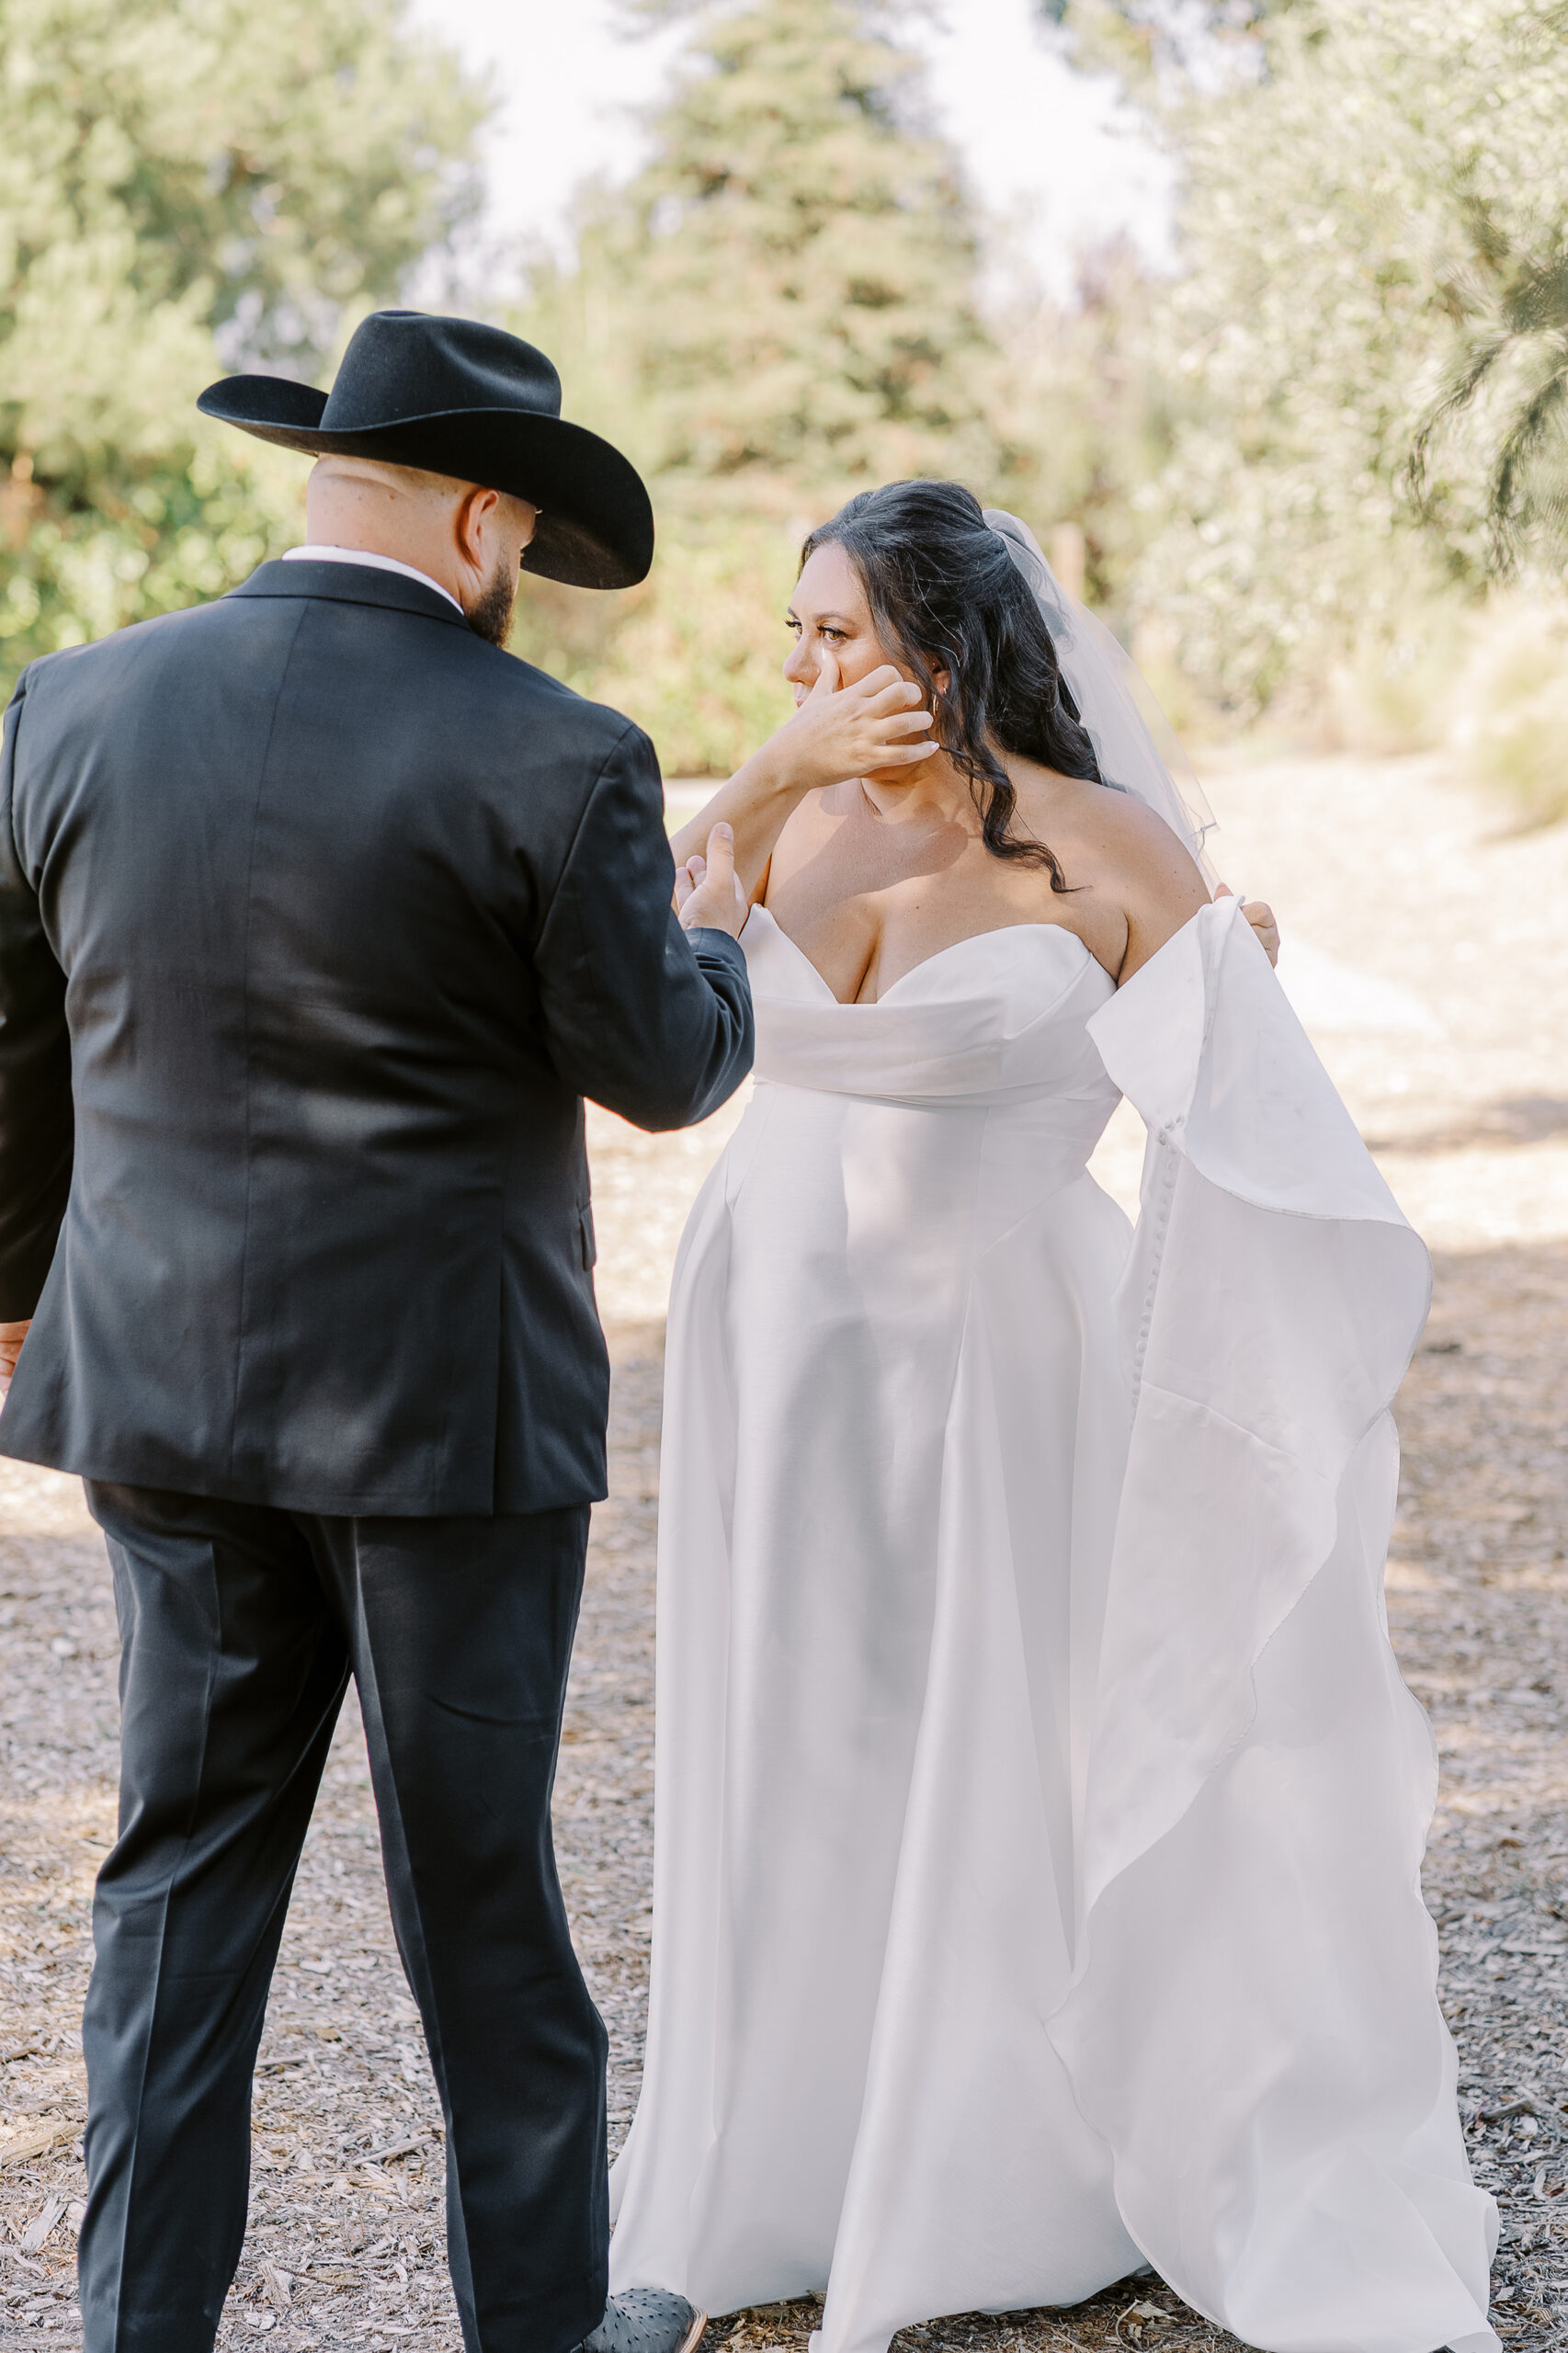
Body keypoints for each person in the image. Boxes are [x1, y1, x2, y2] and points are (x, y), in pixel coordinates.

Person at [0, 309, 905, 2353]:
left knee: (171, 1902)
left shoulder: (73, 701)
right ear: (491, 513)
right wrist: (724, 925)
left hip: (157, 1391)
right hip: (451, 1431)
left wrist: (15, 1290)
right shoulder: (554, 752)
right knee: (486, 1920)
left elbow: (14, 1032)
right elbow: (665, 1067)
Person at [606, 480, 1500, 2353]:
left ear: (947, 645)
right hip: (769, 1337)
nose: (802, 664)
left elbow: (1252, 1125)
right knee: (790, 1724)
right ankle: (768, 2160)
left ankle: (990, 2154)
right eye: (794, 636)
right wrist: (768, 771)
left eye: (838, 633)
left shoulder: (1100, 843)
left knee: (977, 1732)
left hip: (991, 1348)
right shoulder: (775, 821)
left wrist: (1224, 982)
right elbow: (644, 995)